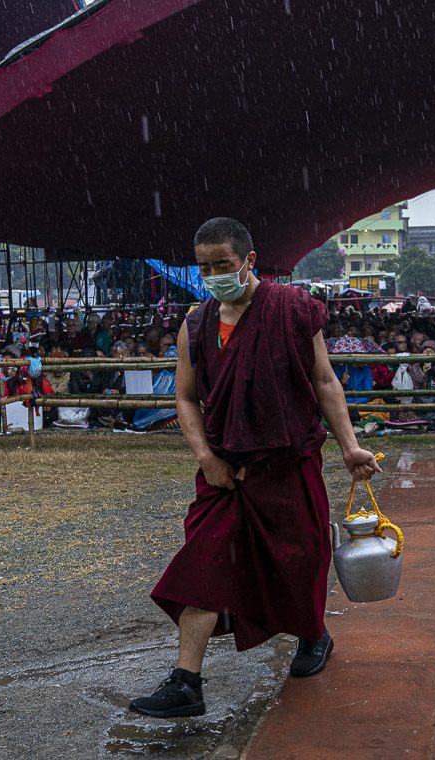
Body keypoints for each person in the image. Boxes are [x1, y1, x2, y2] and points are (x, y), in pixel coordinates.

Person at [131, 217, 379, 719]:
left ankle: (314, 634)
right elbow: (184, 397)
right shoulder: (196, 324)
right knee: (203, 562)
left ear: (249, 259)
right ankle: (187, 682)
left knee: (300, 558)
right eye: (204, 267)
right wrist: (207, 458)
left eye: (223, 264)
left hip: (287, 461)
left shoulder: (290, 310)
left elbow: (325, 381)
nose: (214, 274)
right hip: (225, 471)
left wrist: (349, 446)